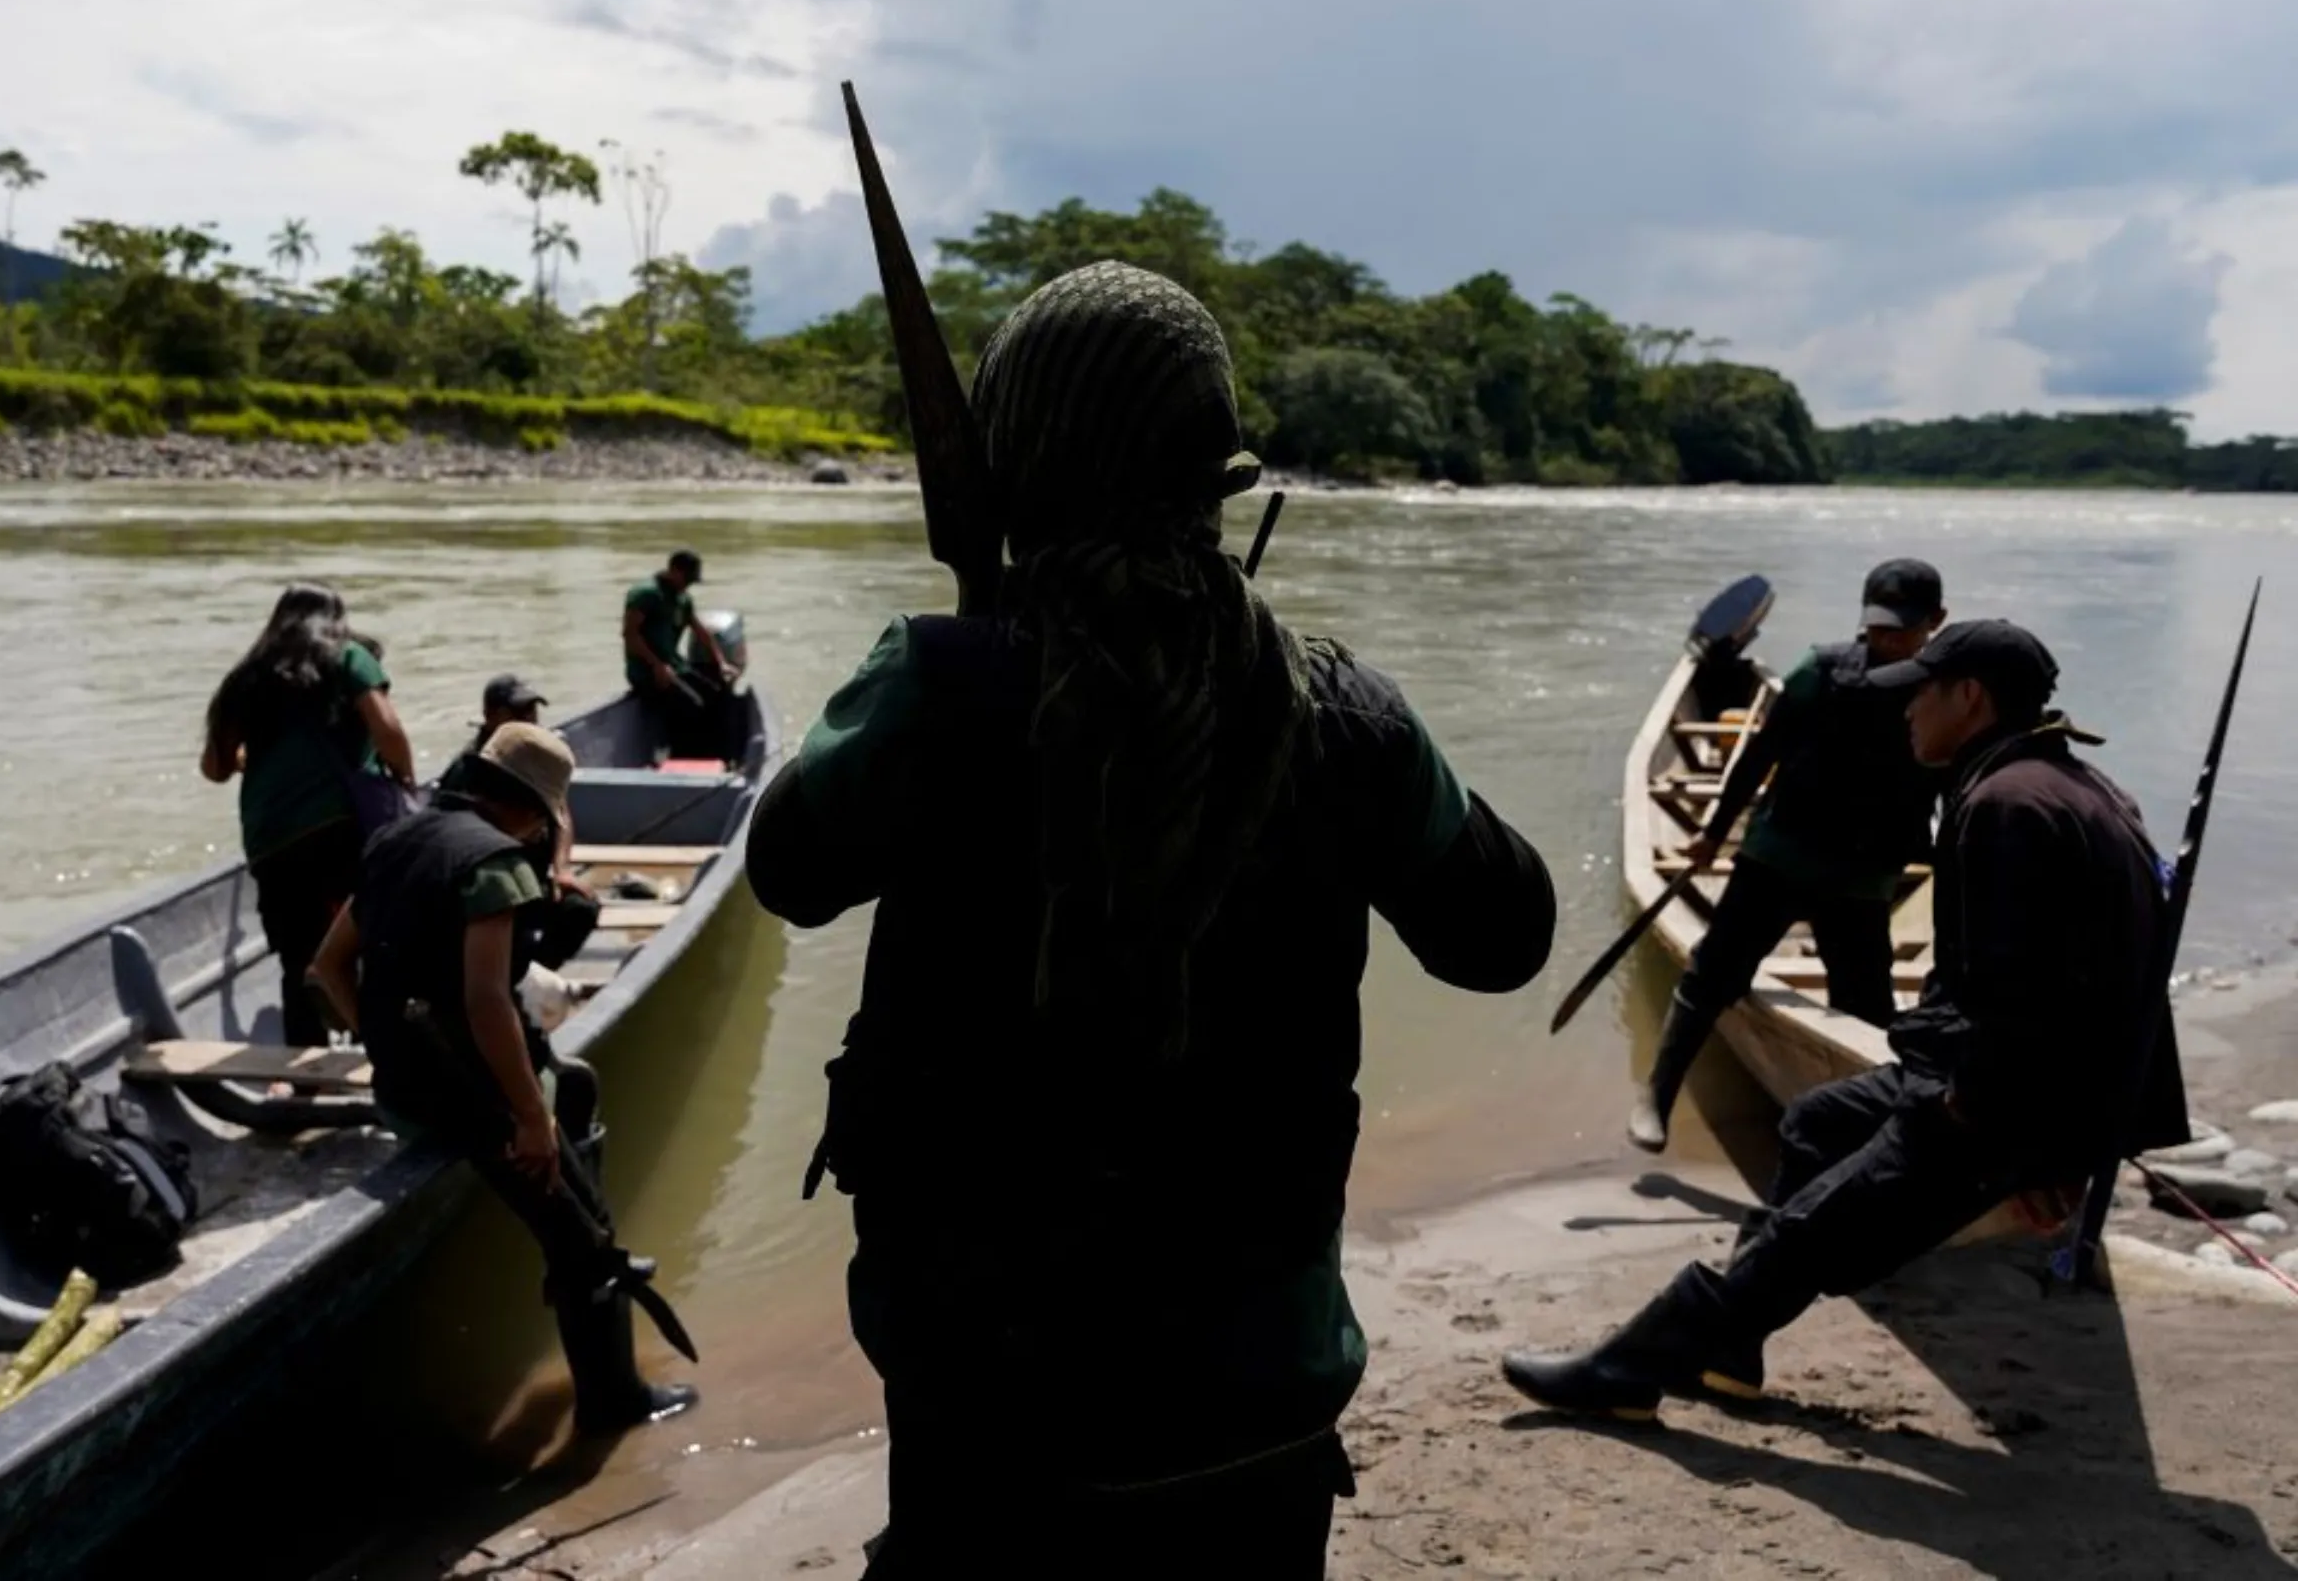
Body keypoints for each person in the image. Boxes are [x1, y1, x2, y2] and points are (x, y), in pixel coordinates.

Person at [746, 260, 1558, 1578]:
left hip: (989, 1391)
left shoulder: (940, 687)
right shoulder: (1345, 714)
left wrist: (976, 646)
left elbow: (788, 869)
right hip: (1259, 1391)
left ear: (1017, 471)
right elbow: (1502, 934)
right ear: (1216, 474)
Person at [1504, 620, 2190, 1420]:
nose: (1906, 714)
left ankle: (1631, 1370)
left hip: (1999, 1100)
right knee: (1816, 1123)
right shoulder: (2066, 783)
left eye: (1920, 695)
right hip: (2018, 1084)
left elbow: (2016, 995)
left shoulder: (2006, 806)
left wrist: (2007, 1133)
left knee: (1817, 1230)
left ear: (1970, 698)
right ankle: (1731, 1345)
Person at [306, 725, 694, 1434]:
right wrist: (529, 1121)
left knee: (572, 1084)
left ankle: (566, 1177)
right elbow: (488, 1002)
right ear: (531, 810)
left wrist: (388, 1046)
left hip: (404, 1088)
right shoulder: (497, 867)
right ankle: (614, 1406)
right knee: (586, 1240)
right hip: (469, 1099)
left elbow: (326, 969)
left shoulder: (399, 840)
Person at [1627, 559, 1949, 1152]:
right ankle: (1658, 1093)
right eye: (1877, 627)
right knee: (1713, 973)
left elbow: (1952, 787)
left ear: (1936, 623)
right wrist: (1711, 835)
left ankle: (1867, 1136)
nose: (1885, 640)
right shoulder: (1821, 671)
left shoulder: (1942, 692)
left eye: (1900, 631)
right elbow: (1756, 757)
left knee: (1866, 1008)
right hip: (1779, 855)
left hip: (1863, 876)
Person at [201, 582, 416, 1048]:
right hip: (342, 828)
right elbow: (389, 731)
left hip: (271, 839)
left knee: (298, 958)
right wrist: (405, 781)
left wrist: (256, 765)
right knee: (364, 938)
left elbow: (215, 768)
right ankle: (378, 1050)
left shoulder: (246, 678)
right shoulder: (350, 658)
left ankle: (307, 1077)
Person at [436, 673, 599, 972]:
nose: (529, 720)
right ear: (490, 716)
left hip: (532, 882)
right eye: (518, 713)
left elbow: (561, 813)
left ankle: (537, 974)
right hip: (486, 886)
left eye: (532, 712)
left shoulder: (533, 758)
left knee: (581, 908)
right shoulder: (468, 772)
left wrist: (561, 869)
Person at [623, 549, 736, 758]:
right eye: (687, 578)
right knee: (691, 705)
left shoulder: (683, 599)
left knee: (716, 691)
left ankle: (720, 755)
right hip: (646, 672)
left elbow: (701, 632)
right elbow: (630, 635)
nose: (689, 584)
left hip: (675, 666)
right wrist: (657, 665)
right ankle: (683, 759)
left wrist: (721, 663)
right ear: (674, 570)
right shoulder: (646, 594)